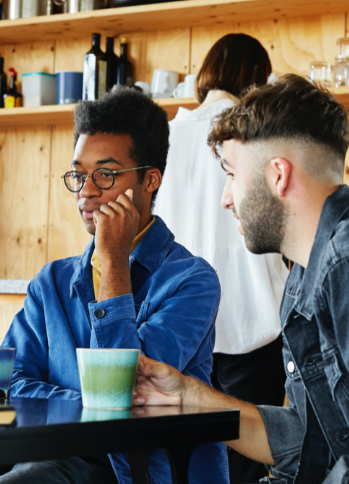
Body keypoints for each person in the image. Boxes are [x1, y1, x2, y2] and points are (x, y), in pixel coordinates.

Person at [0, 89, 228, 484]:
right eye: (78, 174)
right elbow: (10, 384)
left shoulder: (192, 281)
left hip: (130, 466)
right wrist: (84, 402)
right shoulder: (52, 282)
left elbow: (125, 394)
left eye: (105, 174)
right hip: (39, 450)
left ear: (150, 180)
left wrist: (113, 260)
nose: (86, 191)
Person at [134, 74, 349, 484]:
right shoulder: (304, 273)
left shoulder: (344, 264)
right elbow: (309, 440)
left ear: (277, 175)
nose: (226, 197)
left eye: (231, 174)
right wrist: (186, 396)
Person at [154, 33, 288, 483]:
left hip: (185, 318)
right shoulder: (257, 133)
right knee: (249, 452)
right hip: (255, 318)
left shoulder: (167, 134)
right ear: (255, 77)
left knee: (186, 451)